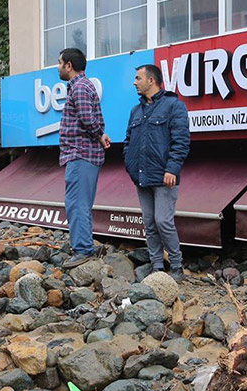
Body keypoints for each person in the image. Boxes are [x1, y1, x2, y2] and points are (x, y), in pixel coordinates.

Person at [123, 64, 191, 282]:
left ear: (151, 81)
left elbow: (181, 141)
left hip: (164, 176)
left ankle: (177, 265)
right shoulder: (135, 110)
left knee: (163, 221)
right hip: (141, 176)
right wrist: (130, 165)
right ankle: (157, 267)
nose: (135, 82)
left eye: (138, 78)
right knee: (149, 223)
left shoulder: (174, 106)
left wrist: (172, 168)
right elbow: (128, 141)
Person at [56, 48, 111, 269]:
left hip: (80, 153)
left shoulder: (78, 87)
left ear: (69, 65)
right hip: (84, 154)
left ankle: (83, 249)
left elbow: (87, 119)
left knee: (76, 203)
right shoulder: (84, 86)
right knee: (81, 203)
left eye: (59, 63)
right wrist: (100, 135)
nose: (57, 67)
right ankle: (84, 245)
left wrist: (98, 135)